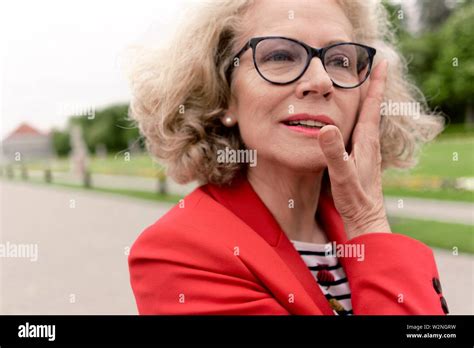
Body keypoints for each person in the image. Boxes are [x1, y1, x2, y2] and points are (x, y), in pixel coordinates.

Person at [127, 0, 448, 315]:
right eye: (280, 55)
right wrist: (370, 225)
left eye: (340, 61)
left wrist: (368, 226)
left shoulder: (356, 225)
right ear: (224, 95)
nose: (321, 81)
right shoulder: (177, 253)